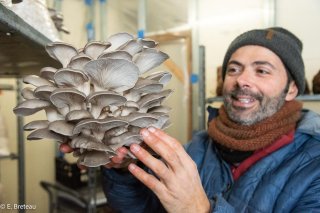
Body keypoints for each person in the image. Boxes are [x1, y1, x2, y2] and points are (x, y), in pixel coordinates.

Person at [60, 27, 320, 212]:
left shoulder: (313, 166)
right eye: (234, 69)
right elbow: (144, 208)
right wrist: (125, 170)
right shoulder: (201, 144)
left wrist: (198, 210)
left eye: (261, 70)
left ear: (292, 89)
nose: (242, 80)